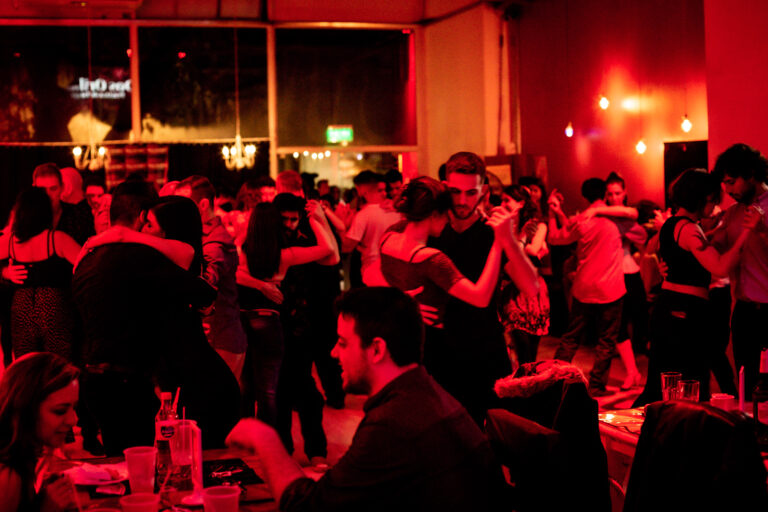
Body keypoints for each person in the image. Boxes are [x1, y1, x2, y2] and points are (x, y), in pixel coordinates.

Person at [225, 287, 505, 511]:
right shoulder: (425, 394)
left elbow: (306, 507)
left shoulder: (394, 424)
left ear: (376, 350)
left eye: (343, 342)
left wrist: (265, 439)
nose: (334, 353)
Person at [72, 180, 213, 455]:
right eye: (149, 222)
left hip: (92, 376)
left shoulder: (86, 258)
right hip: (129, 380)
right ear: (142, 217)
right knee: (144, 463)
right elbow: (204, 292)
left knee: (120, 461)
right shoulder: (141, 256)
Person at [379, 176, 517, 424]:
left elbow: (375, 276)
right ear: (434, 214)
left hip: (403, 343)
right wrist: (498, 243)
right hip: (435, 348)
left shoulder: (388, 238)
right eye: (446, 214)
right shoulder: (432, 259)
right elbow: (481, 297)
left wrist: (406, 304)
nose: (450, 220)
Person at [428, 152, 538, 425]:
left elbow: (531, 286)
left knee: (489, 440)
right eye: (455, 192)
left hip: (484, 349)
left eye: (470, 192)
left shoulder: (492, 232)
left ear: (484, 191)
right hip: (438, 350)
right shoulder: (433, 231)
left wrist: (509, 240)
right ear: (444, 187)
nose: (462, 201)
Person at [634, 169, 758, 405]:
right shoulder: (689, 229)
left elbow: (681, 257)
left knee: (664, 382)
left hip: (670, 308)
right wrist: (746, 232)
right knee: (687, 383)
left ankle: (651, 433)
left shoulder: (672, 225)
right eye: (712, 200)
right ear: (701, 198)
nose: (713, 207)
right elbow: (720, 267)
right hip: (684, 313)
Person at [236, 196, 338, 465]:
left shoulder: (251, 248)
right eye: (285, 220)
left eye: (295, 219)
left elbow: (233, 272)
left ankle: (260, 447)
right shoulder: (280, 253)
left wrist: (256, 284)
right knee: (271, 391)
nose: (290, 225)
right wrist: (318, 217)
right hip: (274, 322)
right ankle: (275, 448)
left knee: (264, 387)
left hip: (267, 322)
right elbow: (329, 249)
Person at [548, 178, 647, 396]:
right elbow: (640, 230)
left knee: (571, 337)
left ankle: (553, 381)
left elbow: (556, 238)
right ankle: (596, 385)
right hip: (610, 289)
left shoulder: (582, 219)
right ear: (605, 193)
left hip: (584, 288)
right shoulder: (615, 220)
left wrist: (553, 213)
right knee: (607, 340)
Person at [176, 176, 248, 382]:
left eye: (182, 204)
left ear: (203, 204)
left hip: (219, 338)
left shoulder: (215, 242)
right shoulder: (203, 236)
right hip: (216, 337)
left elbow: (205, 286)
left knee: (215, 410)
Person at [711, 144, 768, 397]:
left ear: (752, 174)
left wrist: (763, 231)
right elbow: (714, 249)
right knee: (746, 384)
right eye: (724, 183)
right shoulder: (732, 213)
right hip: (743, 311)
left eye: (731, 181)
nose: (727, 190)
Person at [0, 188, 81, 360]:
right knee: (56, 365)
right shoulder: (56, 239)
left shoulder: (11, 242)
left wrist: (4, 272)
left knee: (28, 366)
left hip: (22, 307)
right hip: (54, 307)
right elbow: (87, 264)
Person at [0, 352, 80, 512]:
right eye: (60, 411)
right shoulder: (7, 477)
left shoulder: (30, 454)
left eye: (74, 407)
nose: (73, 420)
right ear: (26, 410)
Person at [499, 184, 550, 365]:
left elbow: (535, 249)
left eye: (507, 200)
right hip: (511, 289)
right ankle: (522, 384)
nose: (503, 204)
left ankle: (529, 385)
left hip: (532, 290)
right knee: (520, 343)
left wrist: (517, 241)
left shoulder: (538, 224)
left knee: (531, 347)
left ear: (520, 203)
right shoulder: (503, 225)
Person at [605, 172, 647, 390]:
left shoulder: (628, 215)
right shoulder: (603, 216)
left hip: (631, 272)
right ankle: (632, 372)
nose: (614, 197)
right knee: (618, 326)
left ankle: (646, 372)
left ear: (625, 193)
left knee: (643, 322)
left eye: (618, 193)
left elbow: (643, 238)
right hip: (613, 275)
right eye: (610, 193)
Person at [342, 170, 402, 287]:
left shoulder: (365, 214)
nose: (385, 194)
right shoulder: (398, 212)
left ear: (361, 190)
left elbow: (347, 247)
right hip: (395, 268)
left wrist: (341, 228)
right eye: (381, 190)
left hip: (372, 269)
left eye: (385, 190)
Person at [32, 163, 94, 245]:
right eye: (42, 190)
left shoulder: (78, 216)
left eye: (53, 189)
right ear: (34, 190)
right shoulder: (26, 219)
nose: (48, 195)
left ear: (62, 187)